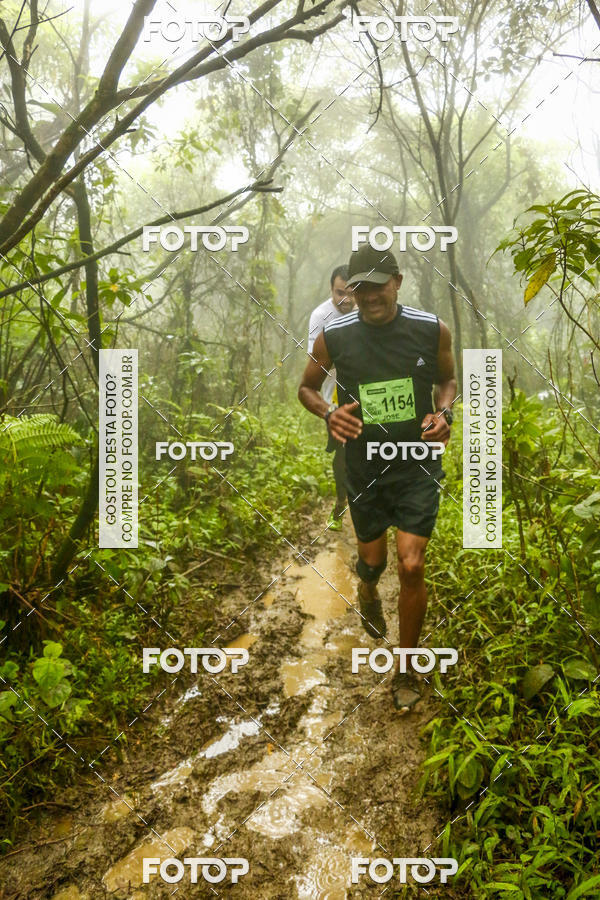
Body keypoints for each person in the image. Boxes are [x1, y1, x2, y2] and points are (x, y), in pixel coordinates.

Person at [298, 244, 457, 711]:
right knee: (375, 562)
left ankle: (406, 667)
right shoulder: (336, 335)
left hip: (416, 462)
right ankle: (366, 587)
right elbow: (307, 387)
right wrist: (329, 413)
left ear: (397, 282)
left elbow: (448, 381)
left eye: (378, 285)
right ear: (352, 289)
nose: (369, 295)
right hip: (365, 466)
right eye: (360, 286)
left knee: (411, 563)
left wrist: (443, 412)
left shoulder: (431, 330)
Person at [307, 265, 354, 531]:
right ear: (331, 290)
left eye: (351, 293)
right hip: (333, 395)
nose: (346, 300)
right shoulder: (321, 315)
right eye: (339, 293)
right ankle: (340, 502)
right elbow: (316, 361)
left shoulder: (365, 310)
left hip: (365, 393)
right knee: (341, 449)